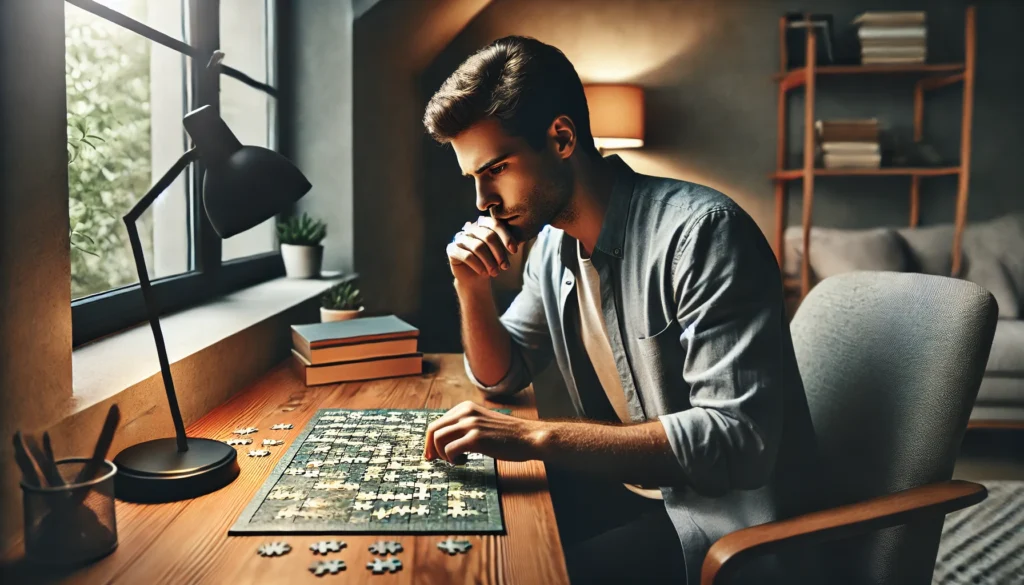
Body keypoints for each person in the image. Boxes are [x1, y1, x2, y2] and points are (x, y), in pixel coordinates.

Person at [420, 36, 818, 585]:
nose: (483, 200)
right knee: (464, 549)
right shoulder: (552, 247)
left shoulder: (702, 236)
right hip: (630, 492)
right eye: (474, 179)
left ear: (562, 138)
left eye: (497, 169)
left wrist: (537, 438)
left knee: (517, 575)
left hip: (722, 527)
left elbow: (737, 439)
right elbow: (502, 376)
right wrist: (471, 287)